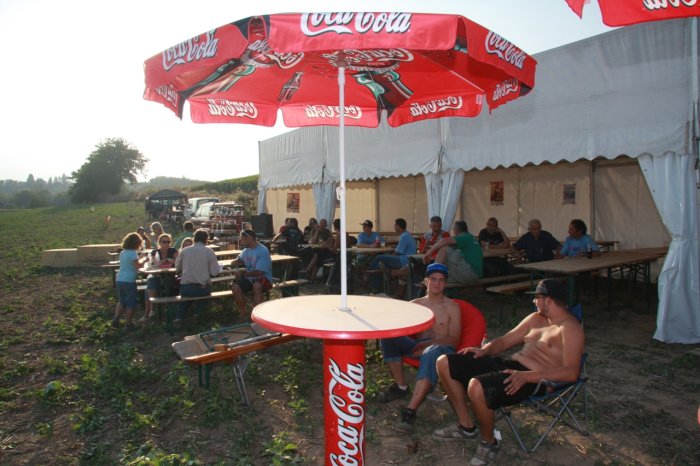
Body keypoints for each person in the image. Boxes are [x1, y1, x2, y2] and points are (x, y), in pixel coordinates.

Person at [433, 279, 584, 466]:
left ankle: (490, 443)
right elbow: (505, 341)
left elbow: (571, 373)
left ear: (548, 300)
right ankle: (466, 426)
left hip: (535, 379)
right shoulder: (535, 319)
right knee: (445, 362)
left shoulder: (570, 329)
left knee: (477, 387)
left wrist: (526, 376)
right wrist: (484, 350)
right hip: (511, 367)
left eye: (536, 298)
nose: (534, 301)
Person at [376, 263, 461, 432]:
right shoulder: (415, 304)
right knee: (389, 336)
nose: (437, 283)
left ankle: (410, 411)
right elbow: (397, 325)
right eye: (433, 279)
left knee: (430, 352)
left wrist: (429, 344)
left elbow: (454, 340)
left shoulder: (452, 307)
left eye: (441, 280)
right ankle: (401, 387)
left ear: (445, 283)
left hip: (442, 350)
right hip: (418, 348)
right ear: (426, 281)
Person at [174, 228, 219, 324]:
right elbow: (214, 272)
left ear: (194, 238)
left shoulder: (185, 250)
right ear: (206, 239)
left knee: (185, 299)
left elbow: (177, 267)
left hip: (186, 287)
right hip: (202, 288)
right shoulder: (209, 251)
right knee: (205, 295)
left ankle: (179, 317)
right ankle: (197, 314)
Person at [423, 220, 482, 285]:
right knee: (444, 277)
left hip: (469, 273)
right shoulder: (471, 238)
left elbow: (443, 241)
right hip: (475, 276)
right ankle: (433, 281)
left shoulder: (464, 237)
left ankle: (434, 276)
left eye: (453, 230)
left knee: (444, 248)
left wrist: (428, 253)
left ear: (456, 230)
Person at [367, 218, 417, 294]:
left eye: (395, 225)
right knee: (381, 261)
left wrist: (388, 256)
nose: (394, 227)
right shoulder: (407, 234)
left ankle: (371, 280)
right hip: (408, 259)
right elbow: (401, 249)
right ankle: (378, 283)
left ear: (398, 226)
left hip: (404, 261)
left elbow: (396, 253)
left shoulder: (404, 236)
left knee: (378, 258)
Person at [231, 229, 273, 317]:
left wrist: (243, 274)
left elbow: (259, 272)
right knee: (235, 287)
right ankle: (243, 315)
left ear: (249, 238)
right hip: (250, 278)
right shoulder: (246, 251)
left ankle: (258, 316)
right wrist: (235, 263)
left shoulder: (262, 250)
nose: (241, 242)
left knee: (257, 286)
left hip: (264, 278)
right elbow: (238, 260)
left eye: (242, 239)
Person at [112, 232, 148, 329]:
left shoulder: (123, 252)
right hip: (129, 280)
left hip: (120, 279)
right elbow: (137, 266)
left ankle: (116, 318)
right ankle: (128, 323)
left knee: (122, 300)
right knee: (131, 302)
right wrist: (145, 260)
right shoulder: (133, 253)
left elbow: (131, 263)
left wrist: (140, 258)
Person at [140, 233, 178, 323]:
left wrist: (171, 261)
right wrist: (162, 261)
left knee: (149, 287)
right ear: (159, 242)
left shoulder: (173, 250)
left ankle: (151, 310)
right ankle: (151, 309)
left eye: (168, 242)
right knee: (151, 282)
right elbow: (153, 264)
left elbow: (178, 261)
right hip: (156, 274)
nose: (166, 244)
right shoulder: (155, 252)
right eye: (164, 242)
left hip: (170, 275)